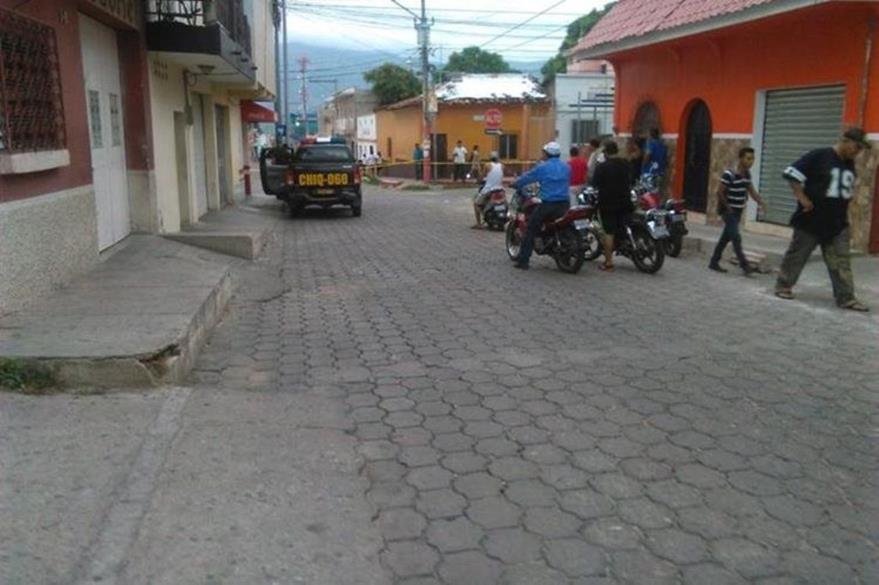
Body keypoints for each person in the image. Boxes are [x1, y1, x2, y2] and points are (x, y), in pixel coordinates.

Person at [774, 127, 871, 311]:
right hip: (811, 220)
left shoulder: (848, 163)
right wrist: (802, 198)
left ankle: (846, 297)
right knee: (797, 255)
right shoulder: (820, 156)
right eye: (856, 147)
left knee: (841, 261)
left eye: (860, 149)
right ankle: (783, 286)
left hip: (837, 223)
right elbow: (791, 174)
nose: (857, 152)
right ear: (845, 140)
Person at [512, 142, 571, 270]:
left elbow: (527, 178)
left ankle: (523, 261)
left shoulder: (542, 167)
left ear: (547, 153)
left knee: (530, 230)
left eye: (543, 152)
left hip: (548, 205)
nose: (542, 154)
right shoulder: (566, 167)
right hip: (565, 204)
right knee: (563, 225)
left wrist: (515, 183)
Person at [708, 147, 766, 274]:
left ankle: (714, 262)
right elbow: (720, 192)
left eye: (753, 159)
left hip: (738, 211)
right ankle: (745, 265)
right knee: (736, 237)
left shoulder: (747, 175)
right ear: (740, 159)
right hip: (729, 212)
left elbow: (751, 191)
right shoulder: (729, 174)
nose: (751, 161)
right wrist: (728, 209)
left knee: (726, 237)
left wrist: (760, 202)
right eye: (748, 158)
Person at [590, 141, 633, 272]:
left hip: (608, 204)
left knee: (609, 232)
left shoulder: (602, 167)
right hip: (625, 202)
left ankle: (608, 263)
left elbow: (594, 183)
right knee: (622, 225)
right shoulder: (625, 164)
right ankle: (623, 244)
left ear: (606, 152)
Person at [472, 152, 504, 228]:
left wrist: (478, 180)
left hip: (489, 190)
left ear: (490, 158)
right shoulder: (502, 166)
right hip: (500, 189)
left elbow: (482, 176)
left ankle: (479, 224)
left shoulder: (487, 165)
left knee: (476, 204)